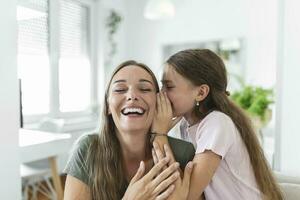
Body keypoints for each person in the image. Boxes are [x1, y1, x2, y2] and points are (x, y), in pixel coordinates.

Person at [151, 49, 283, 200]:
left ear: (201, 92)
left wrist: (159, 133)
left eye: (169, 87)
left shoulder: (217, 123)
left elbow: (186, 195)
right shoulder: (185, 126)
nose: (161, 94)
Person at [63, 60, 195, 200]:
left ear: (158, 102)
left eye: (144, 89)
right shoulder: (87, 149)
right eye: (120, 89)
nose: (132, 96)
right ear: (108, 105)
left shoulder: (183, 153)